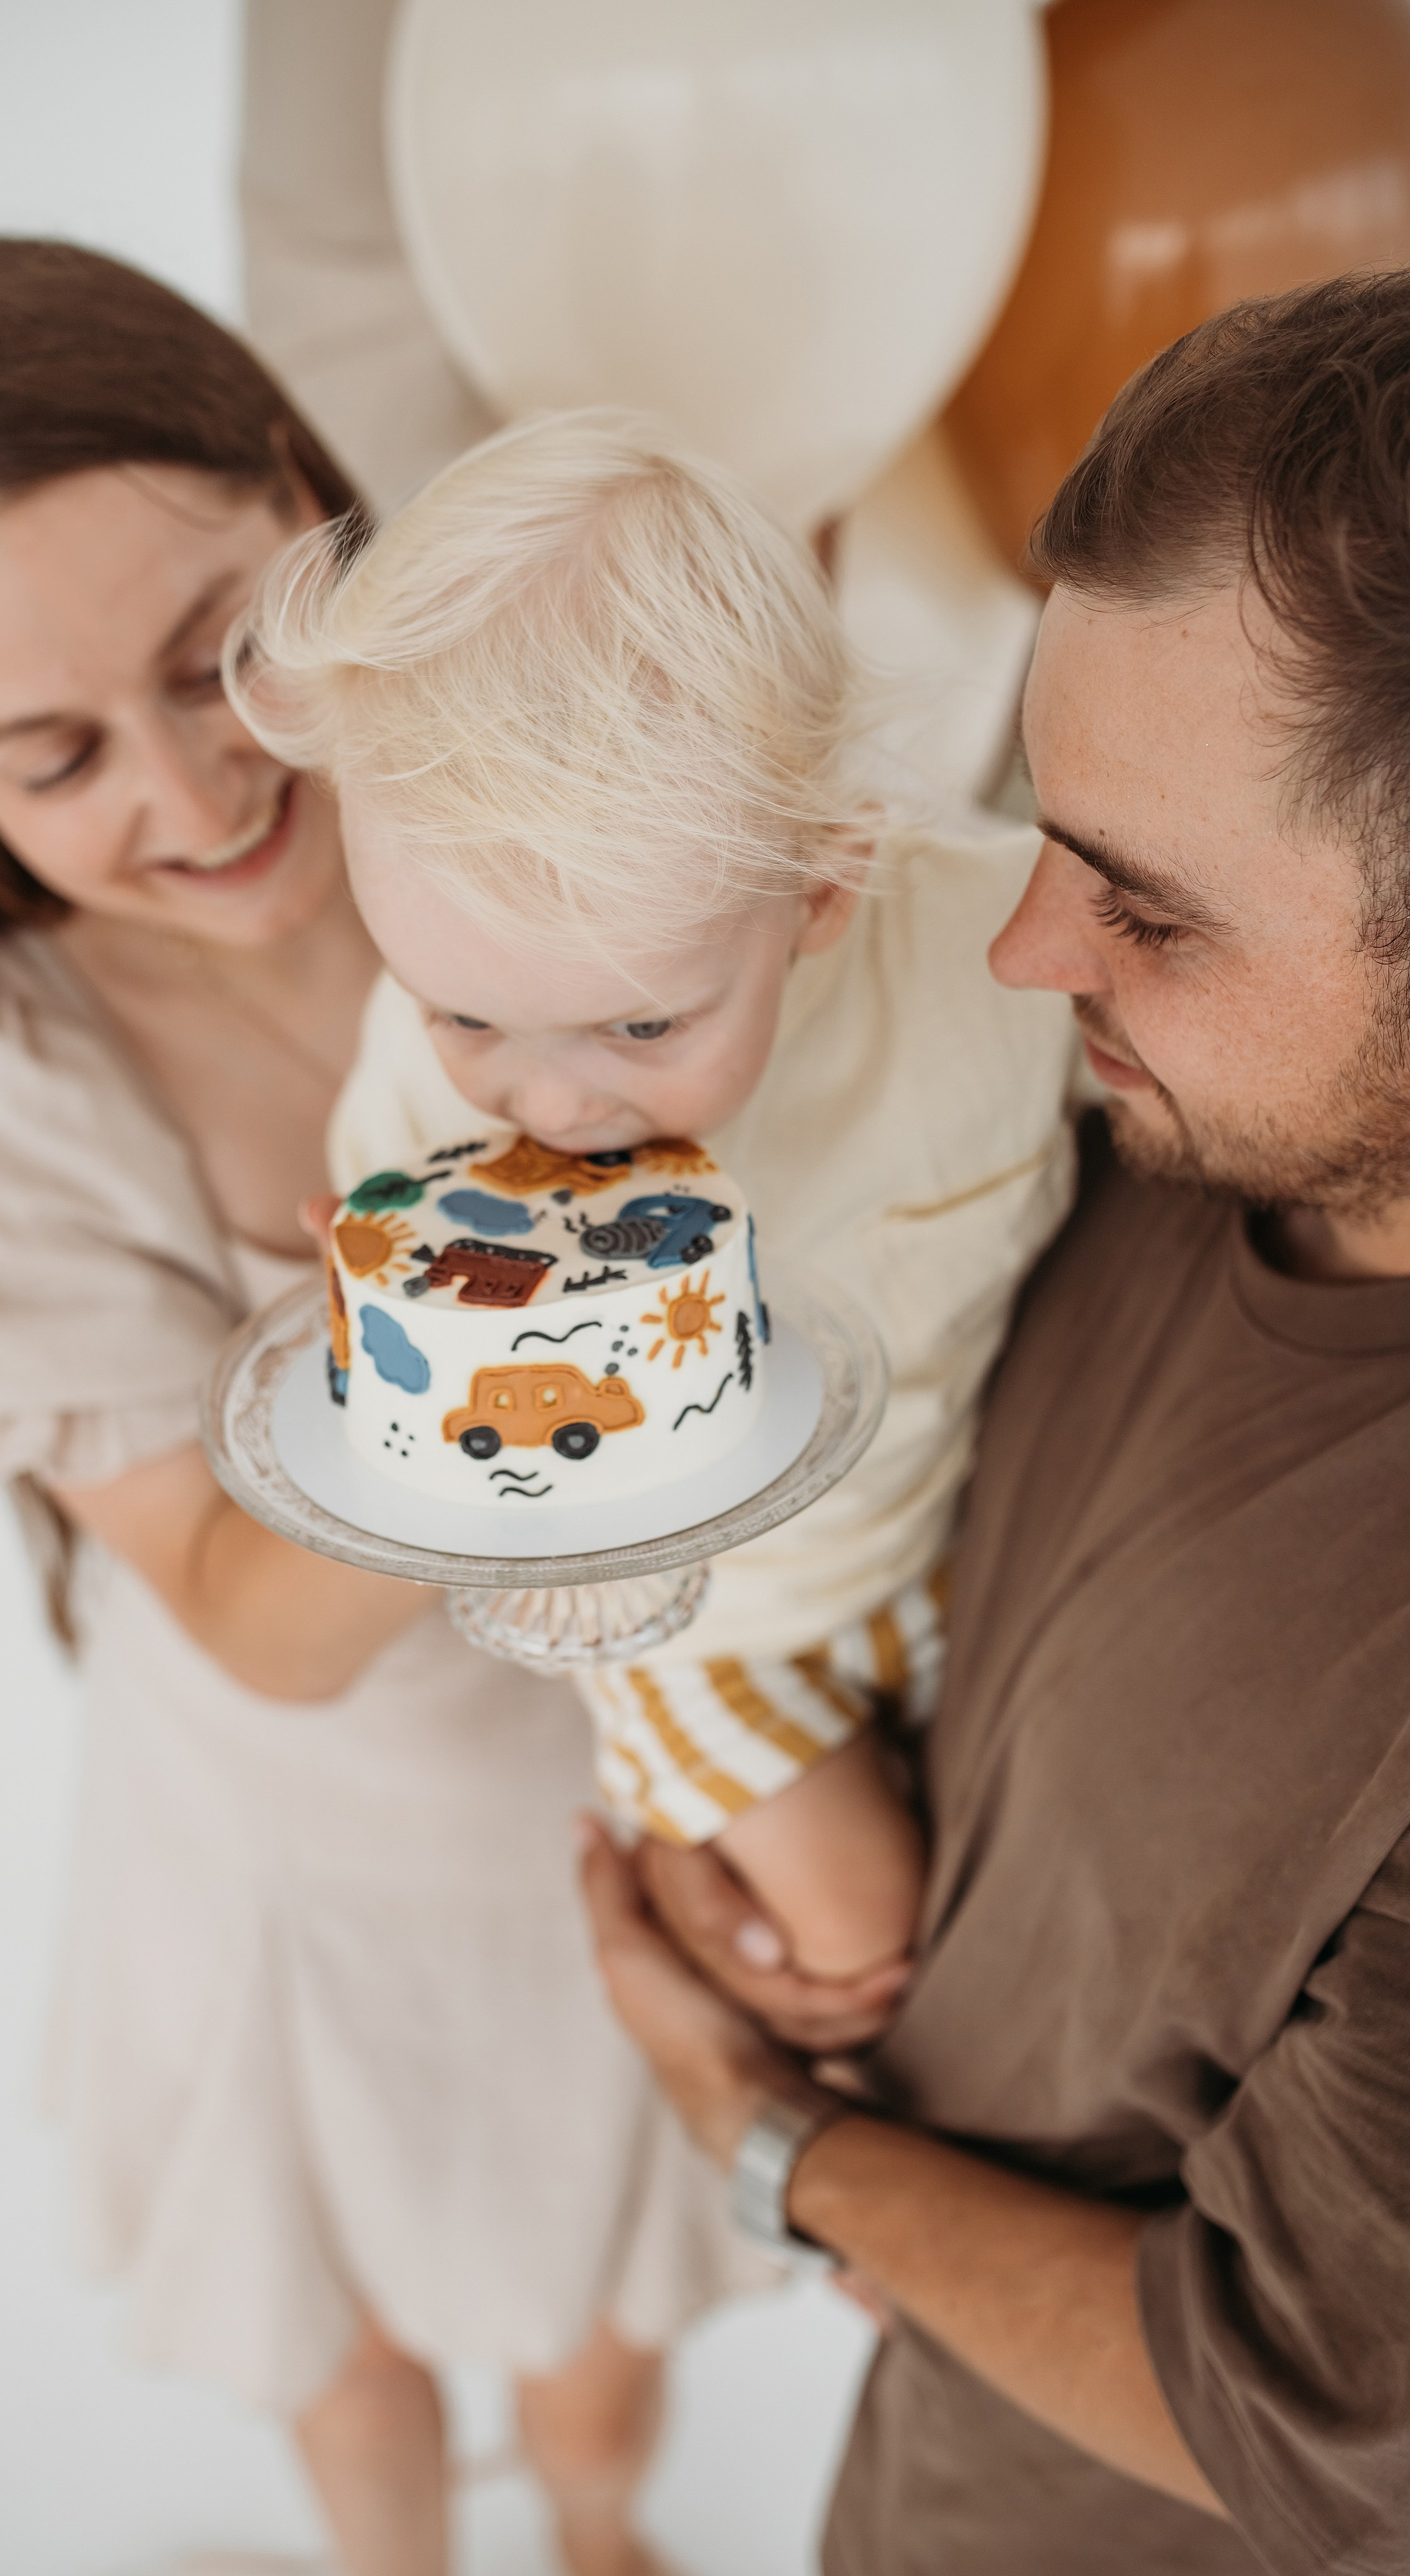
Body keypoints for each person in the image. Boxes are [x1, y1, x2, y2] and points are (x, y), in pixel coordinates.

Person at [0, 236, 753, 2576]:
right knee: (346, 2354)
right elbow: (254, 1618)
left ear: (317, 494)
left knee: (607, 2326)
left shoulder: (570, 788)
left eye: (226, 654)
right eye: (50, 755)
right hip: (294, 1836)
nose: (204, 786)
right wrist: (496, 1299)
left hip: (627, 1774)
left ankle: (601, 2532)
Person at [581, 269, 1410, 2576]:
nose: (1025, 950)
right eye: (1047, 831)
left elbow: (1317, 2418)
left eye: (1139, 902)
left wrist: (762, 2132)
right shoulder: (1152, 1115)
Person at [229, 412, 1078, 1984]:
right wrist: (381, 1323)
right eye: (467, 1015)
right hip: (697, 1631)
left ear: (819, 882)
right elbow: (418, 1390)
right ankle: (824, 2202)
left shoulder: (995, 957)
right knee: (861, 1930)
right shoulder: (417, 1103)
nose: (552, 1107)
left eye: (641, 1026)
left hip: (961, 1547)